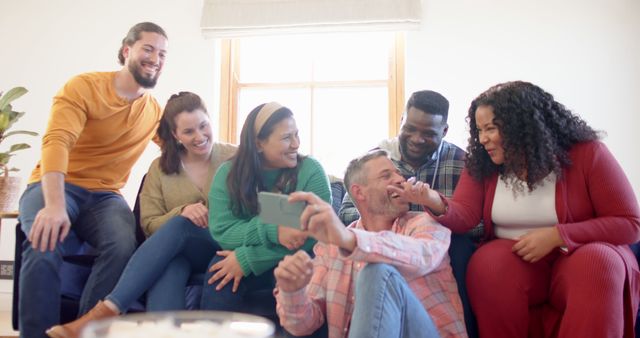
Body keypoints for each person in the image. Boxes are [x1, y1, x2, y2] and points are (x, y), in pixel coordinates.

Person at [394, 81, 640, 338]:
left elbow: (630, 224)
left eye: (490, 128)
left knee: (597, 264)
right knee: (487, 264)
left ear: (522, 126)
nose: (483, 139)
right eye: (479, 130)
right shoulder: (483, 161)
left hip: (580, 253)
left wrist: (558, 235)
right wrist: (434, 200)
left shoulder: (588, 153)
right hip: (518, 261)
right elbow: (466, 216)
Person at [17, 22, 168, 338]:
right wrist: (55, 206)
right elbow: (57, 141)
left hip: (105, 196)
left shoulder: (153, 110)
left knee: (124, 244)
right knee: (45, 241)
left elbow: (182, 145)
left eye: (163, 53)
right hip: (57, 185)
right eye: (148, 49)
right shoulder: (83, 87)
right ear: (127, 50)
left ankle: (82, 331)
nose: (156, 58)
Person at [45, 92, 237, 338]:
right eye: (189, 132)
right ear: (175, 136)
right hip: (183, 253)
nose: (200, 137)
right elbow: (148, 224)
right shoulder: (160, 169)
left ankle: (108, 309)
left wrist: (183, 218)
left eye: (203, 126)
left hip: (222, 244)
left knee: (180, 226)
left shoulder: (234, 157)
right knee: (170, 264)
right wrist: (183, 211)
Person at [275, 149, 467, 338]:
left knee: (376, 271)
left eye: (398, 173)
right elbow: (302, 327)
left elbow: (423, 257)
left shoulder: (424, 223)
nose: (400, 179)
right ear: (359, 193)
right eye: (386, 176)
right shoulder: (331, 248)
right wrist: (293, 291)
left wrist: (349, 239)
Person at [338, 89, 477, 337]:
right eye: (410, 128)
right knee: (374, 268)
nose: (416, 138)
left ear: (444, 132)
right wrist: (390, 214)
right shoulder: (378, 159)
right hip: (383, 244)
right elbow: (348, 210)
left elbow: (477, 222)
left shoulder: (462, 162)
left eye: (428, 133)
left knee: (461, 246)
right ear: (401, 120)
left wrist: (429, 209)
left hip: (437, 252)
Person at [200, 102, 331, 314]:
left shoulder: (311, 171)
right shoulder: (228, 174)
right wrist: (274, 230)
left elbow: (314, 235)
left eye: (296, 134)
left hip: (298, 256)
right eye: (286, 137)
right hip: (245, 251)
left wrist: (248, 259)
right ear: (259, 144)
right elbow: (223, 230)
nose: (296, 144)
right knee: (220, 275)